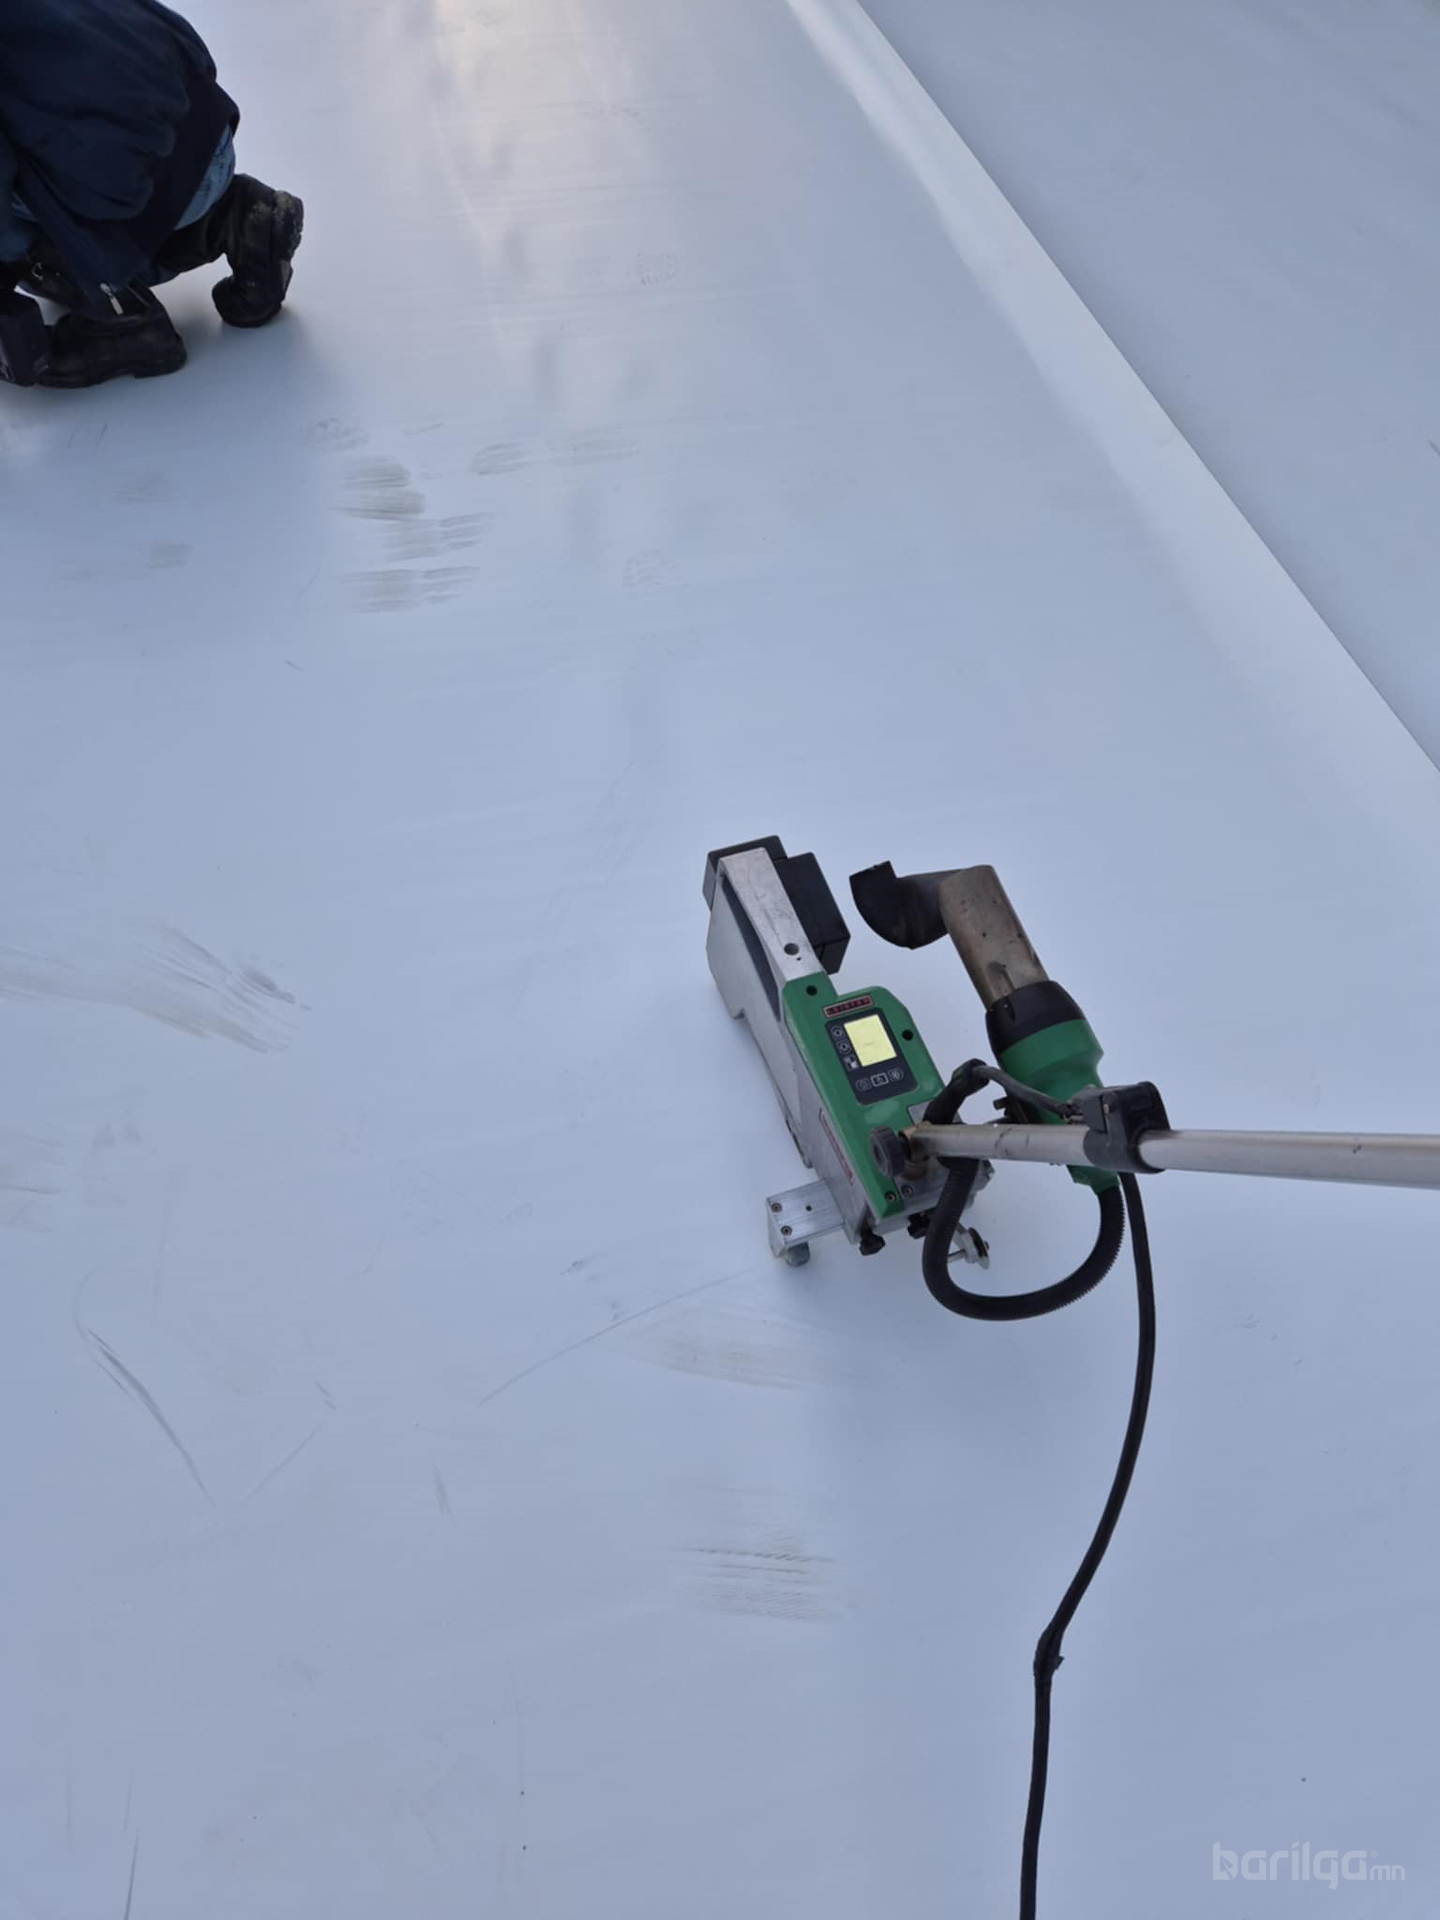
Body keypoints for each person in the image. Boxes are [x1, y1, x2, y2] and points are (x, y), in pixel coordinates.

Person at [0, 0, 302, 388]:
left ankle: (123, 322)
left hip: (135, 184)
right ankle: (235, 218)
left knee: (16, 236)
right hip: (206, 134)